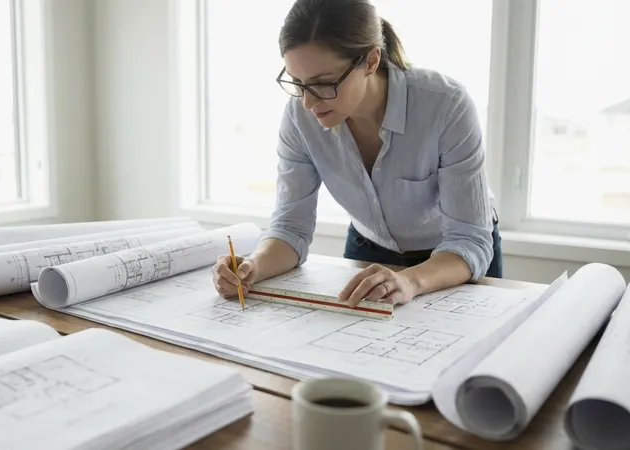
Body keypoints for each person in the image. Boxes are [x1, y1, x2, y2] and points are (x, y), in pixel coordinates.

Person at [211, 0, 502, 308]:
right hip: (369, 250)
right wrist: (254, 267)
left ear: (371, 61)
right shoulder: (299, 117)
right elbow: (290, 228)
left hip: (453, 260)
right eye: (298, 83)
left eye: (324, 83)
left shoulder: (446, 106)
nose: (309, 103)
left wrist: (410, 280)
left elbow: (469, 239)